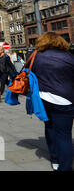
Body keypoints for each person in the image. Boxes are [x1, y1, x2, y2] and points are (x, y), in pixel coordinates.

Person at [31, 32, 74, 171]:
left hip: (43, 99)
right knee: (64, 135)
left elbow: (30, 74)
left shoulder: (36, 56)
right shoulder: (69, 57)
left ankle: (54, 159)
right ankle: (65, 167)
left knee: (49, 127)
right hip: (65, 100)